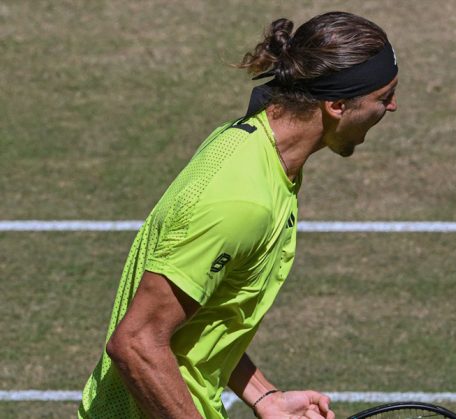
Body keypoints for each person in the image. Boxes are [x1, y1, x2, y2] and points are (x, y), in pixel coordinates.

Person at [78, 11, 398, 419]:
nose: (392, 106)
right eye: (383, 97)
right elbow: (136, 343)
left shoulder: (256, 146)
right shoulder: (242, 200)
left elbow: (207, 316)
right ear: (336, 105)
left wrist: (265, 396)